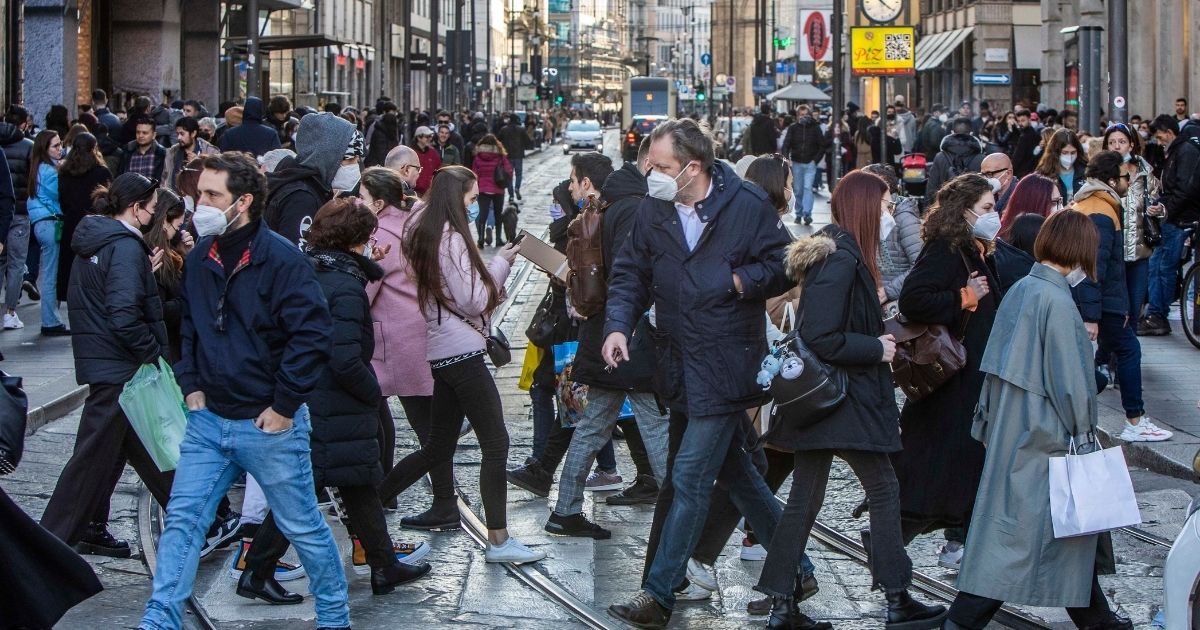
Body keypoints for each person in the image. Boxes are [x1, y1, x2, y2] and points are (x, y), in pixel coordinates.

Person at [138, 152, 348, 630]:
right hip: (209, 421)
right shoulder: (199, 258)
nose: (200, 204)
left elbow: (313, 336)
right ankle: (160, 619)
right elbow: (190, 324)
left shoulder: (282, 259)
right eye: (198, 194)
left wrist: (283, 405)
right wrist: (190, 383)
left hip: (268, 425)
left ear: (244, 201)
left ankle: (335, 618)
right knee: (184, 521)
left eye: (212, 195)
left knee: (303, 526)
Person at [601, 118, 792, 628]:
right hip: (677, 364)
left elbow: (785, 263)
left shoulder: (747, 205)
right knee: (739, 476)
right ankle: (796, 567)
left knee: (687, 477)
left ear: (692, 167)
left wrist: (736, 280)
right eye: (649, 165)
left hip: (728, 363)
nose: (651, 174)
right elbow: (629, 275)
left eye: (660, 166)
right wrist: (618, 326)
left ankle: (659, 594)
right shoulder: (653, 211)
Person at [757, 170, 947, 630]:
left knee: (806, 498)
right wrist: (875, 346)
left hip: (832, 401)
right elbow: (820, 335)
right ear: (865, 207)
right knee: (882, 489)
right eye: (883, 205)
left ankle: (783, 604)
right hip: (845, 398)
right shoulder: (840, 258)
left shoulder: (839, 252)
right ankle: (897, 599)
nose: (887, 214)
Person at [236, 198, 432, 605]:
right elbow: (342, 357)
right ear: (355, 239)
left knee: (358, 481)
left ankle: (383, 564)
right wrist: (370, 390)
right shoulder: (342, 285)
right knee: (304, 488)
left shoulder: (314, 270)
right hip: (331, 401)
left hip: (315, 395)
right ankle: (257, 570)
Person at [945, 210, 1133, 630]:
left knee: (1045, 541)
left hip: (1014, 434)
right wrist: (1086, 439)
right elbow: (1073, 387)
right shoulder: (1057, 302)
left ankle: (1100, 623)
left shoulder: (1023, 290)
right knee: (1025, 543)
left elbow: (994, 364)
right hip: (1044, 443)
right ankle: (960, 622)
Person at [371, 165, 541, 565]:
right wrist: (502, 263)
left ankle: (370, 502)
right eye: (471, 198)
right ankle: (498, 541)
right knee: (496, 443)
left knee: (437, 445)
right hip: (461, 351)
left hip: (440, 348)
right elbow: (470, 299)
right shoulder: (449, 239)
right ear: (456, 197)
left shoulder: (421, 232)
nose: (475, 205)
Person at [39, 173, 175, 556]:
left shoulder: (95, 242)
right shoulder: (125, 247)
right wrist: (152, 353)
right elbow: (123, 314)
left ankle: (204, 518)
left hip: (105, 363)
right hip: (121, 369)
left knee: (147, 453)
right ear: (136, 208)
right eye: (152, 208)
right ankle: (46, 546)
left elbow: (107, 298)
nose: (153, 216)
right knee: (91, 462)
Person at [543, 152, 670, 540]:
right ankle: (683, 510)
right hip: (629, 336)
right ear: (649, 168)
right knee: (655, 423)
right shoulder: (634, 210)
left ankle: (565, 510)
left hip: (604, 331)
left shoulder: (609, 206)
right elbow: (634, 275)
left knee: (593, 426)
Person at [892, 174, 1000, 567]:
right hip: (952, 380)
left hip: (968, 379)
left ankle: (967, 546)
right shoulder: (945, 248)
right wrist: (965, 296)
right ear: (965, 210)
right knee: (935, 470)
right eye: (988, 208)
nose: (995, 215)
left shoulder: (973, 247)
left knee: (959, 469)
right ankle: (892, 541)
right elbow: (915, 298)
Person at [360, 166, 458, 528]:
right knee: (427, 425)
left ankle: (384, 493)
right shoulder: (413, 225)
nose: (358, 201)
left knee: (418, 427)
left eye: (363, 196)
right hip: (417, 336)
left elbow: (365, 291)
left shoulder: (379, 236)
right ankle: (438, 499)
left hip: (394, 342)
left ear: (380, 202)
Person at [1070, 150, 1171, 443]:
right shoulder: (1102, 211)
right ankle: (1135, 420)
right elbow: (1094, 267)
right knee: (1128, 350)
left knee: (1110, 355)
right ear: (1113, 180)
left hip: (1103, 300)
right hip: (1104, 302)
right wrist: (1092, 315)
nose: (1129, 181)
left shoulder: (1092, 203)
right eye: (1125, 177)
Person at [1139, 114, 1200, 336]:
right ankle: (1156, 313)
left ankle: (1157, 315)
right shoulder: (1177, 151)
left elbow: (1184, 189)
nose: (1157, 140)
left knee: (1163, 267)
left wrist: (1164, 209)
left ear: (1169, 132)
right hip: (1173, 217)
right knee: (1158, 267)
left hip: (1178, 220)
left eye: (1159, 135)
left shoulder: (1185, 152)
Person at [264, 112, 361, 248]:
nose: (355, 166)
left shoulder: (312, 187)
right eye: (349, 159)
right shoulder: (302, 198)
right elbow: (298, 258)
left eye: (357, 159)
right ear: (326, 158)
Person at [1101, 123, 1158, 346]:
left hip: (1139, 251)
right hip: (1112, 251)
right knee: (1114, 310)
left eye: (1122, 142)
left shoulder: (1145, 171)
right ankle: (1110, 354)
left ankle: (1127, 355)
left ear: (1131, 144)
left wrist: (1158, 210)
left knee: (1134, 308)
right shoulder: (1102, 172)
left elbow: (1157, 201)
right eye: (1112, 142)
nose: (1117, 146)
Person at [56, 132, 112, 302]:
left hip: (72, 224)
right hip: (95, 226)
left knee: (70, 267)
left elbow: (63, 200)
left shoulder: (65, 172)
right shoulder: (101, 173)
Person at [141, 188, 193, 363]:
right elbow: (159, 308)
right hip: (165, 350)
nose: (180, 232)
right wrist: (188, 300)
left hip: (170, 347)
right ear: (164, 221)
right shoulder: (154, 256)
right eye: (178, 226)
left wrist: (186, 255)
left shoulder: (171, 252)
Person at [861, 164, 922, 308]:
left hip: (894, 302)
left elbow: (920, 265)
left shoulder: (904, 218)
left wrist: (888, 292)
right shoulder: (871, 214)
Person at [27, 130, 69, 335]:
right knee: (51, 274)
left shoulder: (40, 168)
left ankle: (51, 319)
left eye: (60, 144)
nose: (60, 149)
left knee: (49, 272)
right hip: (49, 223)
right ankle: (50, 321)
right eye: (55, 146)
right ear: (45, 149)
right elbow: (60, 194)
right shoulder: (50, 171)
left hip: (41, 222)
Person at [994, 174, 1058, 293]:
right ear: (1035, 203)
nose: (1060, 208)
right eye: (1054, 203)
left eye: (1061, 201)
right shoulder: (1009, 253)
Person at [0, 116, 33, 330]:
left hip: (9, 213)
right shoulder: (28, 146)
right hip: (19, 211)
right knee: (16, 265)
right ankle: (10, 312)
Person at [781, 104, 828, 226]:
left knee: (808, 188)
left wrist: (815, 160)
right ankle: (799, 213)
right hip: (796, 162)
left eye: (806, 114)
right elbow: (786, 144)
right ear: (797, 116)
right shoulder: (793, 128)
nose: (804, 117)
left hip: (810, 163)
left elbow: (822, 145)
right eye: (802, 115)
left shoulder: (815, 128)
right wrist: (787, 159)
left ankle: (807, 214)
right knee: (798, 190)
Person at [925, 117, 985, 205]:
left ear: (952, 132)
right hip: (972, 212)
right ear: (971, 133)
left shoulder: (940, 157)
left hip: (945, 211)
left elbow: (931, 190)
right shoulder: (981, 158)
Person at [468, 133, 512, 247]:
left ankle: (481, 239)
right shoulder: (500, 156)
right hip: (498, 189)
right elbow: (509, 170)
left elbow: (474, 174)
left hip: (483, 189)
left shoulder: (478, 157)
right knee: (498, 215)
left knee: (482, 214)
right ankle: (498, 239)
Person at [162, 117, 218, 191]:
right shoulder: (172, 152)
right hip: (175, 198)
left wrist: (199, 163)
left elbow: (216, 178)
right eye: (177, 134)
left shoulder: (211, 151)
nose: (179, 137)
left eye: (182, 134)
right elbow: (165, 179)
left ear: (193, 133)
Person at [1035, 128, 1087, 200]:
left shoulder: (1086, 172)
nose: (1069, 157)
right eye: (1064, 152)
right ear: (1055, 152)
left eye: (1073, 152)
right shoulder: (1043, 174)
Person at [496, 115, 528, 199]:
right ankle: (517, 188)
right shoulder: (521, 129)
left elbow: (498, 140)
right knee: (519, 174)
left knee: (509, 175)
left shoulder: (504, 129)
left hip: (508, 156)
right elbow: (527, 140)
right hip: (518, 155)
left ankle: (511, 195)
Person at [410, 125, 442, 195]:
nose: (430, 139)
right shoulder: (411, 153)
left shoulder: (433, 152)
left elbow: (439, 169)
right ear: (419, 138)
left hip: (431, 192)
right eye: (427, 137)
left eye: (430, 136)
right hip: (415, 193)